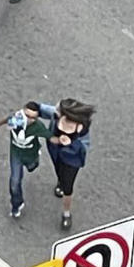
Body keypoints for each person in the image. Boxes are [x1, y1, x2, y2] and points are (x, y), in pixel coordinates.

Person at [0, 101, 57, 219]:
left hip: (31, 155)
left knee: (32, 167)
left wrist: (63, 140)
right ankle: (16, 204)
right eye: (27, 116)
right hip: (16, 155)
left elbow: (51, 138)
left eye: (33, 118)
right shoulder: (17, 119)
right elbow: (7, 119)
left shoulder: (38, 127)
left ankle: (35, 160)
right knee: (14, 182)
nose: (30, 119)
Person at [38, 98, 95, 230]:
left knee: (68, 187)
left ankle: (66, 213)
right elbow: (41, 109)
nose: (55, 108)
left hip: (72, 159)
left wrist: (70, 143)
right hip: (56, 152)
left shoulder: (81, 128)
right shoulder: (57, 116)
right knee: (59, 172)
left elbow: (83, 148)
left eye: (58, 108)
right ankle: (60, 182)